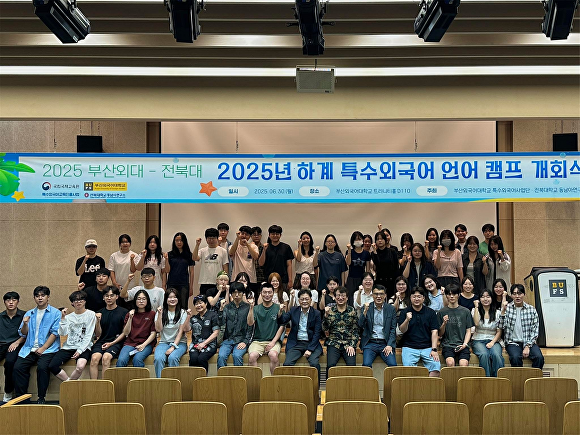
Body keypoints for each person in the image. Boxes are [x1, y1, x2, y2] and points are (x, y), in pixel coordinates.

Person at [13, 286, 61, 404]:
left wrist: (43, 348)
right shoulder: (29, 313)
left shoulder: (56, 313)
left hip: (48, 349)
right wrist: (25, 324)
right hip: (29, 348)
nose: (40, 298)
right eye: (37, 296)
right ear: (34, 298)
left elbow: (55, 333)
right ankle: (22, 398)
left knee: (42, 367)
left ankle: (41, 397)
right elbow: (23, 333)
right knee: (18, 367)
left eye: (43, 295)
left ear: (48, 297)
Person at [48, 290, 96, 382]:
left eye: (81, 299)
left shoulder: (91, 314)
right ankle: (69, 383)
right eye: (75, 300)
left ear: (85, 301)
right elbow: (62, 333)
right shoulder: (68, 317)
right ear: (72, 303)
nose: (78, 302)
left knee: (80, 367)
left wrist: (80, 350)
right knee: (52, 366)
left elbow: (89, 335)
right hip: (68, 346)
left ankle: (69, 384)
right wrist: (63, 318)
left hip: (84, 347)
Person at [277, 289, 323, 376]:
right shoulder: (293, 310)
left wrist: (310, 349)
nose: (304, 301)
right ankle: (292, 384)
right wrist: (280, 312)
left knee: (314, 364)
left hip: (311, 343)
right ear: (298, 300)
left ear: (311, 300)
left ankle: (316, 385)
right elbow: (282, 321)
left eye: (307, 299)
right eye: (302, 299)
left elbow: (317, 333)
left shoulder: (316, 313)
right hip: (296, 343)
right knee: (287, 364)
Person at [398, 287, 441, 376]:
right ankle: (415, 385)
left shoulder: (431, 312)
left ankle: (427, 385)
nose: (416, 299)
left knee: (436, 367)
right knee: (408, 370)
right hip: (409, 347)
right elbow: (402, 330)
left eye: (419, 297)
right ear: (410, 298)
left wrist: (434, 349)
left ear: (423, 298)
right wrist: (407, 320)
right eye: (414, 297)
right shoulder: (405, 312)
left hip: (427, 347)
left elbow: (434, 332)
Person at [499, 284, 544, 369]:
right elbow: (501, 326)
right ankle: (519, 378)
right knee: (515, 358)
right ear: (511, 295)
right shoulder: (507, 308)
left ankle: (533, 377)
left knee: (539, 358)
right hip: (512, 343)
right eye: (514, 294)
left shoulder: (531, 309)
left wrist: (527, 346)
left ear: (524, 294)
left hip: (529, 341)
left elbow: (535, 330)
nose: (517, 296)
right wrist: (503, 311)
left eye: (519, 293)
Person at [89, 287, 128, 379]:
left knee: (106, 358)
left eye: (112, 295)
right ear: (103, 297)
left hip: (117, 342)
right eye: (106, 296)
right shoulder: (99, 312)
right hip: (102, 341)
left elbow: (125, 333)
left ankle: (105, 385)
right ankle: (93, 384)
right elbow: (98, 334)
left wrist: (111, 343)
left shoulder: (124, 312)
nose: (109, 298)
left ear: (117, 297)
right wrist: (98, 321)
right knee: (94, 359)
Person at [247, 283, 285, 374]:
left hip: (273, 341)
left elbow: (282, 327)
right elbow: (250, 323)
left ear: (273, 293)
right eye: (264, 292)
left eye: (269, 292)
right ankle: (255, 382)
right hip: (257, 341)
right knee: (252, 357)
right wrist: (251, 308)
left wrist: (273, 342)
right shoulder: (256, 308)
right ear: (261, 293)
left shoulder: (278, 308)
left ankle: (274, 381)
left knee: (273, 355)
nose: (267, 295)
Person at [322, 286, 359, 377]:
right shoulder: (330, 311)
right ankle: (330, 386)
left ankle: (350, 386)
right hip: (334, 343)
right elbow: (325, 329)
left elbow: (355, 330)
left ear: (347, 298)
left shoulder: (352, 311)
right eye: (338, 295)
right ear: (334, 297)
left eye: (343, 295)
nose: (340, 298)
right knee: (330, 367)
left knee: (352, 367)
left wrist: (352, 345)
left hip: (348, 344)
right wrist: (326, 316)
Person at [359, 285, 397, 368]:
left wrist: (389, 345)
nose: (378, 296)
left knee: (393, 365)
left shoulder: (391, 309)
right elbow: (360, 325)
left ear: (385, 295)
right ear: (372, 295)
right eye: (376, 294)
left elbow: (393, 329)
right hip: (370, 343)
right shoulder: (366, 307)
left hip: (385, 343)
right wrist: (365, 312)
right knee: (366, 365)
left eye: (381, 294)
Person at [116, 290, 157, 368]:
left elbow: (153, 333)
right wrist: (130, 318)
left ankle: (139, 377)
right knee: (121, 360)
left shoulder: (152, 314)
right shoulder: (129, 314)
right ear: (135, 301)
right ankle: (121, 377)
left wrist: (143, 345)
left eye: (144, 299)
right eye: (139, 299)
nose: (141, 301)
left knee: (137, 359)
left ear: (147, 301)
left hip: (146, 344)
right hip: (130, 343)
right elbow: (126, 333)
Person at [217, 282, 253, 368]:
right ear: (231, 294)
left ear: (243, 293)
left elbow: (250, 327)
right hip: (228, 340)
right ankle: (222, 376)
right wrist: (221, 310)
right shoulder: (227, 307)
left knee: (237, 356)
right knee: (221, 356)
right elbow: (221, 324)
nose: (236, 295)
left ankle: (239, 376)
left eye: (239, 292)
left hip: (241, 340)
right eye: (234, 292)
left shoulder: (248, 307)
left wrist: (245, 342)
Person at [153, 289, 188, 377]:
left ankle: (174, 383)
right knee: (158, 359)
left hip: (180, 343)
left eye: (175, 297)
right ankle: (161, 382)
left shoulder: (183, 312)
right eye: (170, 297)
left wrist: (173, 347)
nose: (172, 299)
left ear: (178, 299)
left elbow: (181, 332)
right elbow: (158, 329)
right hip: (164, 342)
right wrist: (160, 314)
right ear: (166, 299)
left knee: (173, 358)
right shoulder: (160, 312)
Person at [437, 284, 474, 367]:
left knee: (463, 363)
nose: (451, 296)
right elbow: (440, 334)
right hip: (447, 345)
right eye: (449, 294)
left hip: (463, 344)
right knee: (450, 362)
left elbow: (468, 331)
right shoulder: (441, 312)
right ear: (446, 296)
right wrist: (444, 324)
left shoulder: (466, 311)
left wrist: (465, 344)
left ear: (459, 295)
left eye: (454, 294)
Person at [472, 290, 504, 377]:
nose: (485, 299)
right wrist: (476, 306)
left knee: (496, 355)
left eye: (488, 296)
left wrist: (492, 342)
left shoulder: (497, 313)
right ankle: (486, 379)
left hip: (494, 339)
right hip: (478, 339)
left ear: (492, 298)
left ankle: (498, 380)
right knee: (484, 354)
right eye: (482, 297)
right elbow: (476, 323)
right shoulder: (475, 310)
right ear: (479, 299)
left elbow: (499, 331)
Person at [185, 295, 220, 372]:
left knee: (202, 358)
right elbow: (186, 329)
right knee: (193, 359)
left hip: (210, 344)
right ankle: (193, 378)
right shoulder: (194, 318)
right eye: (196, 304)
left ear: (206, 303)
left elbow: (216, 332)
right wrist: (188, 316)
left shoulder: (213, 315)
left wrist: (204, 343)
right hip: (196, 345)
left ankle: (203, 378)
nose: (198, 305)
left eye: (201, 303)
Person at [0, 291, 25, 402]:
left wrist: (17, 342)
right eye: (8, 300)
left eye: (14, 300)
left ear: (18, 302)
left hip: (16, 344)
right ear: (4, 302)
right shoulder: (0, 316)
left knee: (10, 362)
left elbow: (28, 334)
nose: (11, 302)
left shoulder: (24, 316)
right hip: (1, 344)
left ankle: (8, 391)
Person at [193, 228, 229, 296]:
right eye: (209, 238)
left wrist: (225, 281)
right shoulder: (202, 250)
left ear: (217, 238)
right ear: (206, 239)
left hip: (218, 282)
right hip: (204, 282)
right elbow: (194, 258)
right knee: (204, 301)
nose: (211, 240)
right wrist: (197, 245)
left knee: (218, 301)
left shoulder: (223, 251)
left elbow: (225, 267)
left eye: (213, 238)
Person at [258, 224, 294, 290]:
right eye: (273, 234)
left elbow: (289, 265)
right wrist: (264, 250)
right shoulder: (265, 247)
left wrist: (290, 280)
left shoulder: (286, 247)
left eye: (277, 234)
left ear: (280, 235)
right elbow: (260, 263)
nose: (275, 236)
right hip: (268, 279)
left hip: (283, 280)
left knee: (283, 296)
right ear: (269, 235)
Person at [166, 232, 195, 307]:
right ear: (174, 241)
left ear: (184, 241)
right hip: (171, 283)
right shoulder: (169, 254)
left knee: (183, 305)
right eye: (177, 240)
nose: (179, 242)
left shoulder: (189, 255)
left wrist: (191, 287)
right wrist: (166, 259)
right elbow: (167, 270)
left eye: (181, 240)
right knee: (171, 305)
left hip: (184, 284)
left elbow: (191, 272)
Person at [229, 226, 259, 290]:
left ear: (250, 236)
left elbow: (256, 257)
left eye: (247, 234)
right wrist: (237, 239)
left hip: (251, 279)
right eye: (242, 233)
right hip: (236, 278)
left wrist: (247, 245)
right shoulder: (233, 246)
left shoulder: (253, 246)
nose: (244, 236)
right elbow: (231, 253)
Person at [371, 230, 399, 298]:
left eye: (382, 239)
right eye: (377, 239)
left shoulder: (392, 251)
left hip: (391, 281)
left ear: (385, 240)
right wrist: (375, 252)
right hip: (380, 281)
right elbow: (378, 265)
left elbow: (396, 267)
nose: (380, 241)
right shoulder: (374, 253)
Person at [345, 231, 371, 304]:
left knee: (361, 297)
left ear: (362, 240)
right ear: (353, 241)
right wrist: (349, 250)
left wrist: (367, 280)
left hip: (361, 279)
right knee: (350, 298)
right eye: (356, 239)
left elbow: (368, 269)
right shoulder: (349, 251)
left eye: (359, 239)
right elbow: (348, 263)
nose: (358, 241)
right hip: (351, 279)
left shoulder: (366, 253)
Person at [251, 226, 266, 292]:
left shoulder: (264, 247)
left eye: (258, 234)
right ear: (251, 236)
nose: (256, 236)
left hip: (262, 276)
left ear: (261, 236)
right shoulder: (248, 247)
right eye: (254, 235)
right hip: (251, 276)